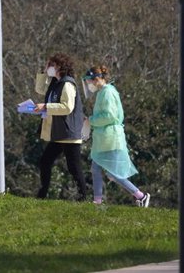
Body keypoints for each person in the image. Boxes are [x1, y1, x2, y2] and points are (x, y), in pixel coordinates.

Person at [83, 65, 150, 207]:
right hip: (104, 139)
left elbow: (109, 116)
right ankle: (97, 201)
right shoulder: (102, 92)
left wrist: (91, 120)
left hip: (110, 139)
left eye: (89, 81)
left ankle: (141, 196)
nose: (88, 85)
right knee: (96, 168)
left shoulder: (107, 92)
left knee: (113, 174)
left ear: (96, 79)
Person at [33, 53, 87, 200]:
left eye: (51, 65)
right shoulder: (55, 84)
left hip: (68, 133)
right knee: (45, 161)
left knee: (74, 167)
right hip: (59, 132)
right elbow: (39, 89)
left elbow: (67, 107)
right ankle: (42, 194)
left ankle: (84, 197)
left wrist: (45, 106)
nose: (49, 67)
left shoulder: (67, 84)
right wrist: (43, 72)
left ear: (59, 67)